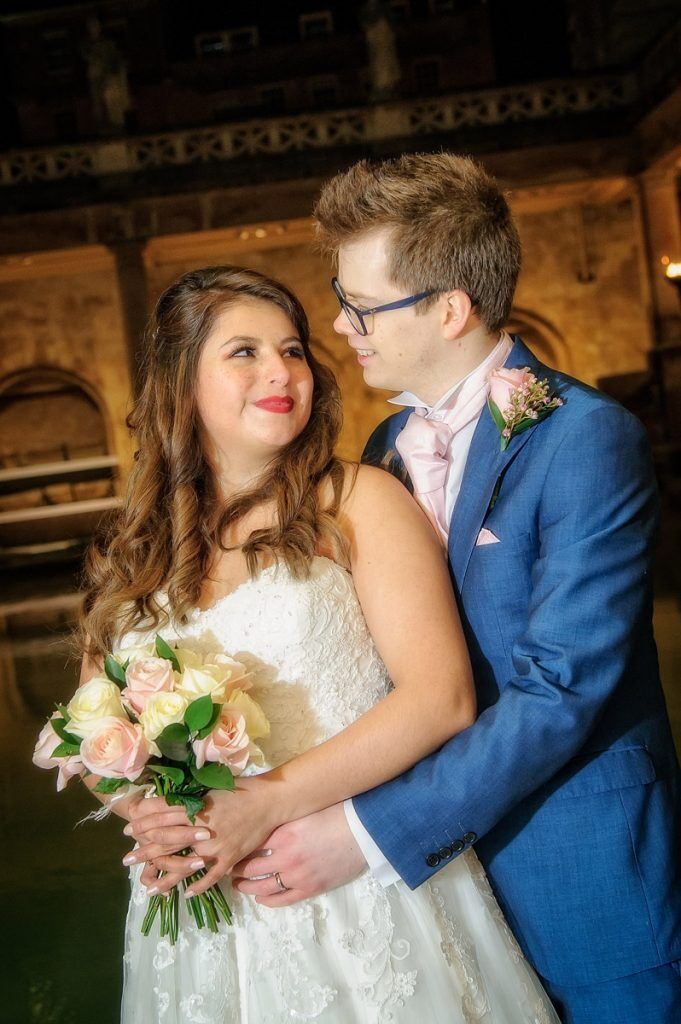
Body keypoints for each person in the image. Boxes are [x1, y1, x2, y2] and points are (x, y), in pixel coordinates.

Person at [130, 155, 681, 1023]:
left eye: (360, 305)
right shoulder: (386, 447)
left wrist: (363, 832)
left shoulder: (584, 437)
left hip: (574, 869)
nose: (338, 326)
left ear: (449, 309)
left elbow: (561, 688)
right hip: (431, 889)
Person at [78, 265, 559, 1022]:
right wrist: (144, 808)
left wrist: (264, 802)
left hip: (355, 883)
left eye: (293, 350)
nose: (281, 372)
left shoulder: (359, 501)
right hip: (201, 910)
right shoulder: (131, 552)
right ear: (180, 381)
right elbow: (93, 731)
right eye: (244, 352)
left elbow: (441, 698)